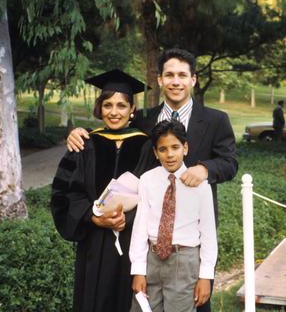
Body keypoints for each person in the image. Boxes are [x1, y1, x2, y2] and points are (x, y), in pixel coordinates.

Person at [66, 48, 238, 312]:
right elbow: (113, 131)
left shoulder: (215, 120)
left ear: (193, 79)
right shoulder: (144, 121)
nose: (176, 81)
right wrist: (79, 132)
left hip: (193, 235)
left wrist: (205, 168)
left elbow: (230, 162)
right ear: (159, 80)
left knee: (194, 302)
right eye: (169, 75)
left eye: (182, 75)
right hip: (146, 235)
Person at [50, 69, 150, 312]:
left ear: (131, 109)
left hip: (132, 241)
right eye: (107, 105)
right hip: (94, 241)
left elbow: (155, 196)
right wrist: (93, 218)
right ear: (100, 108)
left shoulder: (146, 145)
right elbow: (64, 195)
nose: (114, 112)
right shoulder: (84, 144)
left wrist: (125, 219)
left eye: (121, 105)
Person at [129, 120, 217, 312]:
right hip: (152, 259)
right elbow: (140, 227)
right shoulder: (147, 180)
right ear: (155, 152)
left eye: (175, 147)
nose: (169, 154)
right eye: (163, 149)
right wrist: (138, 270)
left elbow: (208, 233)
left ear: (185, 148)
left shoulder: (200, 184)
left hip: (184, 261)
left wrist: (206, 276)